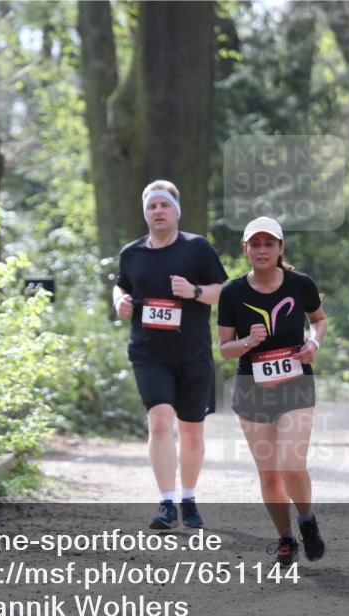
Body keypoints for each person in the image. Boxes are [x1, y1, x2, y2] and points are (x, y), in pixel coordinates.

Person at [113, 180, 229, 530]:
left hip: (192, 352)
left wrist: (195, 292)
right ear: (145, 213)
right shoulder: (131, 253)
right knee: (160, 421)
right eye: (152, 206)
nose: (158, 211)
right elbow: (122, 284)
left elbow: (224, 291)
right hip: (149, 352)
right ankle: (166, 503)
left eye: (164, 205)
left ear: (176, 211)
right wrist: (119, 301)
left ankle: (188, 498)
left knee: (191, 431)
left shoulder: (197, 248)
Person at [217, 217, 327, 567]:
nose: (262, 250)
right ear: (245, 249)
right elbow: (224, 349)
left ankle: (307, 520)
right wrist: (247, 342)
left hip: (295, 383)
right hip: (252, 389)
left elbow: (319, 320)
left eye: (269, 243)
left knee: (292, 465)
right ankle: (285, 539)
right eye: (255, 244)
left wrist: (313, 343)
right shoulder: (232, 292)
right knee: (268, 473)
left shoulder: (300, 284)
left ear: (280, 248)